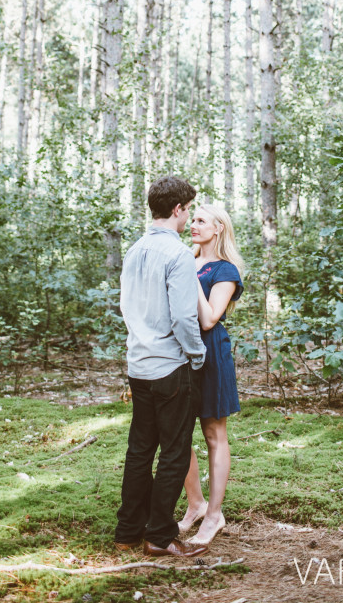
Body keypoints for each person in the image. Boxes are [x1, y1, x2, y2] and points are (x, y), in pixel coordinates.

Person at [114, 175, 209, 559]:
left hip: (138, 364)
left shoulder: (135, 249)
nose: (188, 219)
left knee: (140, 449)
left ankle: (127, 532)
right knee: (174, 450)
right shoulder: (179, 254)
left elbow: (126, 306)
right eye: (187, 211)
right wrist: (197, 355)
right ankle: (159, 536)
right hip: (171, 366)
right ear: (177, 209)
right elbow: (185, 318)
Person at [178, 203, 245, 546]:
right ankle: (196, 505)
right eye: (194, 219)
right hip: (178, 355)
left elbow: (209, 319)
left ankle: (215, 515)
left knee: (213, 433)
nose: (194, 224)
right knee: (178, 431)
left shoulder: (225, 270)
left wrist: (190, 276)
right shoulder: (184, 261)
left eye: (202, 220)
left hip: (211, 354)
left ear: (218, 228)